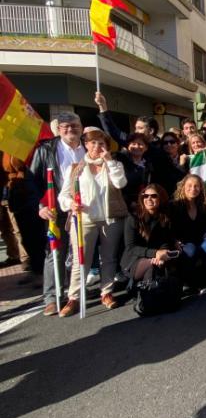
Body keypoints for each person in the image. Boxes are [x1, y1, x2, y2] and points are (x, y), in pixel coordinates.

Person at [57, 130, 128, 316]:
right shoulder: (75, 168)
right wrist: (70, 204)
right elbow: (63, 195)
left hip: (110, 218)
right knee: (81, 260)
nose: (97, 147)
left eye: (101, 143)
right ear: (86, 145)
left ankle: (107, 292)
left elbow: (120, 183)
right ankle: (74, 297)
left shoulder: (114, 164)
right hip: (84, 220)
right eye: (93, 143)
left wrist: (109, 161)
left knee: (109, 258)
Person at [31, 111, 85, 316]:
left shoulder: (88, 147)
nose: (70, 129)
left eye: (74, 125)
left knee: (81, 250)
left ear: (81, 127)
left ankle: (76, 291)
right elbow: (32, 180)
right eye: (65, 126)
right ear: (59, 129)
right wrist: (40, 206)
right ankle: (53, 297)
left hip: (82, 208)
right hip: (55, 208)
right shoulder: (46, 149)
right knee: (55, 252)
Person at [170, 174, 206, 292]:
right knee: (190, 250)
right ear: (183, 187)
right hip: (183, 241)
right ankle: (186, 283)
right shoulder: (174, 205)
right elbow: (168, 227)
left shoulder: (204, 205)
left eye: (197, 186)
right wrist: (174, 240)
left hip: (201, 239)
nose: (193, 189)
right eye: (190, 185)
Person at [0, 152, 45, 280]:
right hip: (15, 194)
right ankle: (36, 270)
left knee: (36, 236)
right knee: (26, 236)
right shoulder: (5, 152)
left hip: (31, 194)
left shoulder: (27, 148)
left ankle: (41, 271)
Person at [121, 184, 177, 285]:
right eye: (145, 196)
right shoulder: (133, 218)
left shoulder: (165, 217)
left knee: (159, 265)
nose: (149, 199)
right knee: (151, 265)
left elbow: (165, 240)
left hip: (156, 257)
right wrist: (155, 254)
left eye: (154, 196)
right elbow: (131, 248)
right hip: (134, 261)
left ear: (161, 198)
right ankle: (148, 293)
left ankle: (148, 294)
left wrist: (161, 254)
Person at [115, 133, 153, 212]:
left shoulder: (149, 164)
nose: (136, 147)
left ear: (146, 147)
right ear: (128, 146)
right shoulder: (121, 162)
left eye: (140, 144)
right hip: (125, 206)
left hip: (144, 204)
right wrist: (129, 202)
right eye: (133, 144)